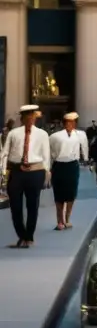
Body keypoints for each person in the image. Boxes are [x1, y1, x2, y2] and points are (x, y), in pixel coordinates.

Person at [1, 105, 52, 248]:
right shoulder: (13, 134)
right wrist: (4, 171)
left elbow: (46, 155)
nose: (30, 118)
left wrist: (47, 173)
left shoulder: (42, 134)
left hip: (35, 171)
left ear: (35, 117)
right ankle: (22, 235)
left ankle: (29, 237)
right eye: (26, 116)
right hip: (16, 172)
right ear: (22, 118)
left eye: (32, 116)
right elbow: (4, 153)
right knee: (15, 206)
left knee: (32, 205)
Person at [48, 112, 89, 230]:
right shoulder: (55, 136)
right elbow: (49, 151)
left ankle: (67, 219)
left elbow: (85, 147)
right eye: (68, 122)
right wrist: (48, 167)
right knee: (59, 193)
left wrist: (86, 159)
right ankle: (59, 220)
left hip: (73, 165)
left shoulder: (81, 134)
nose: (70, 124)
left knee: (71, 193)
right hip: (59, 165)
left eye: (73, 122)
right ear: (64, 123)